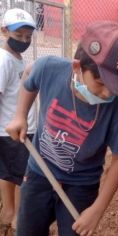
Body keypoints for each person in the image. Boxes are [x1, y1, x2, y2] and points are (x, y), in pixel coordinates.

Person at [6, 21, 118, 236]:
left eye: (115, 86)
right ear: (77, 67)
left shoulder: (117, 107)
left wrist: (97, 210)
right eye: (100, 83)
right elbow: (29, 78)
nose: (107, 94)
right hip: (39, 172)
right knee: (28, 230)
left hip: (81, 186)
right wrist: (20, 114)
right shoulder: (50, 67)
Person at [0, 8, 37, 235]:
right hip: (12, 131)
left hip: (19, 128)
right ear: (4, 31)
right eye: (19, 36)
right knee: (24, 176)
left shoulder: (15, 57)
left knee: (9, 173)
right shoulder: (4, 61)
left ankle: (10, 213)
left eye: (28, 37)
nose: (24, 41)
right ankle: (16, 218)